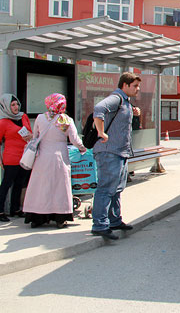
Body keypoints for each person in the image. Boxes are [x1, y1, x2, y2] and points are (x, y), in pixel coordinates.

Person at [23, 94, 86, 229]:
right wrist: (83, 149)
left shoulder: (40, 118)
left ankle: (37, 217)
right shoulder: (65, 120)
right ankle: (60, 218)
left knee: (40, 187)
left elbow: (36, 136)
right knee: (59, 188)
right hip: (60, 158)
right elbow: (74, 140)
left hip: (42, 158)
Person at [91, 72, 141, 240]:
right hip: (109, 152)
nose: (137, 89)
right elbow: (99, 109)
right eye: (134, 86)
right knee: (106, 189)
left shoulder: (125, 101)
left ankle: (114, 220)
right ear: (124, 85)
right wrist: (101, 133)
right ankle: (99, 224)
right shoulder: (116, 98)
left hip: (120, 152)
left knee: (116, 189)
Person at [0, 94, 33, 221]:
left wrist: (30, 136)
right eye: (12, 105)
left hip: (25, 156)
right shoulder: (3, 122)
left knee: (19, 183)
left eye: (17, 104)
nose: (16, 107)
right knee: (6, 184)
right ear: (6, 106)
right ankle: (1, 211)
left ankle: (15, 209)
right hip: (11, 157)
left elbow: (30, 132)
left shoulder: (23, 116)